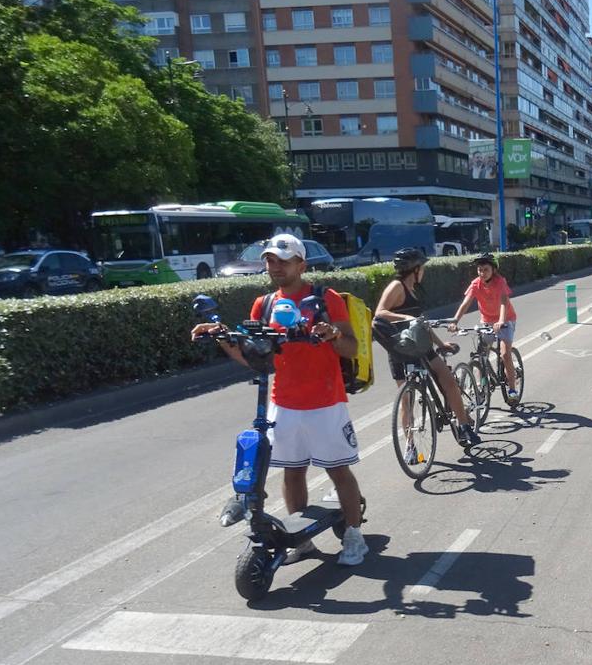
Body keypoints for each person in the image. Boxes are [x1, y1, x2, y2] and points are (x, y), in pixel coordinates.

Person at [190, 234, 368, 567]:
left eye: (283, 261)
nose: (275, 267)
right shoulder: (265, 304)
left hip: (326, 401)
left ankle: (355, 536)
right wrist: (222, 337)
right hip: (283, 402)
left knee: (338, 472)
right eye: (270, 261)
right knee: (292, 473)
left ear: (301, 264)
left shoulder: (326, 298)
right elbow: (255, 357)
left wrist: (332, 335)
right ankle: (303, 542)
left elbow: (352, 347)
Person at [374, 247, 481, 458]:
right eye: (421, 267)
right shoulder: (397, 287)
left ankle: (463, 426)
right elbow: (380, 313)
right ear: (414, 269)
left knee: (448, 380)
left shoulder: (414, 290)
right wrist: (406, 319)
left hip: (421, 346)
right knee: (407, 400)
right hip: (400, 349)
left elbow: (422, 323)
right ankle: (410, 447)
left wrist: (441, 344)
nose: (423, 271)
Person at [449, 253, 519, 398]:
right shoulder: (476, 284)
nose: (482, 273)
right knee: (482, 354)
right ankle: (481, 387)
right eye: (479, 270)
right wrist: (455, 321)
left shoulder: (500, 282)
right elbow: (465, 303)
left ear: (493, 270)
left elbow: (503, 302)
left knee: (505, 354)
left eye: (485, 269)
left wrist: (500, 321)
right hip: (487, 321)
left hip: (505, 320)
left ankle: (512, 389)